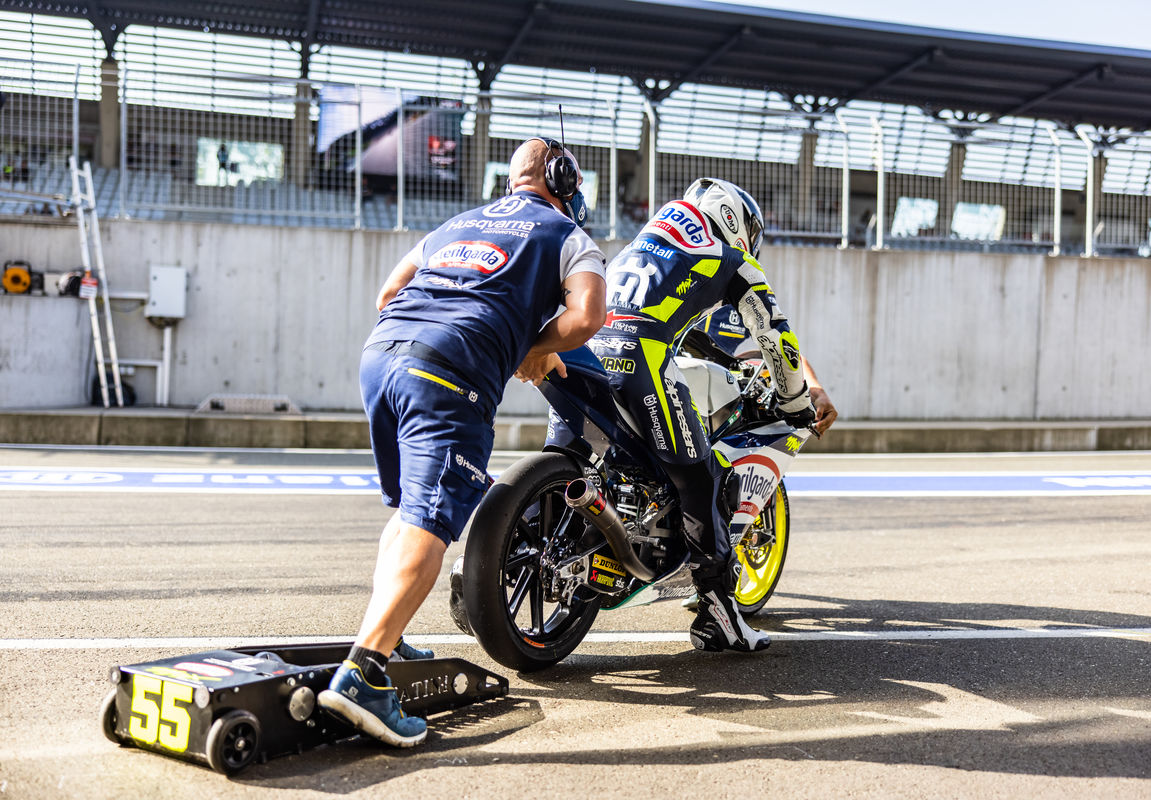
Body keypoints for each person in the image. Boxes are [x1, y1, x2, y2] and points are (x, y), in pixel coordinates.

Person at [317, 138, 607, 747]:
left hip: (381, 357)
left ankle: (386, 638)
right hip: (449, 370)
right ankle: (365, 675)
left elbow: (386, 295)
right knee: (431, 521)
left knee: (409, 514)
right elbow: (585, 320)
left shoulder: (454, 225)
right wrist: (531, 346)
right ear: (562, 179)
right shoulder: (566, 235)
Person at [582, 178, 837, 653]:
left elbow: (716, 341)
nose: (751, 244)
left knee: (569, 459)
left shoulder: (646, 245)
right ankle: (718, 616)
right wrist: (799, 404)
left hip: (583, 354)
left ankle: (491, 561)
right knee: (696, 479)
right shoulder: (729, 260)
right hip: (641, 359)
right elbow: (777, 340)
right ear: (733, 220)